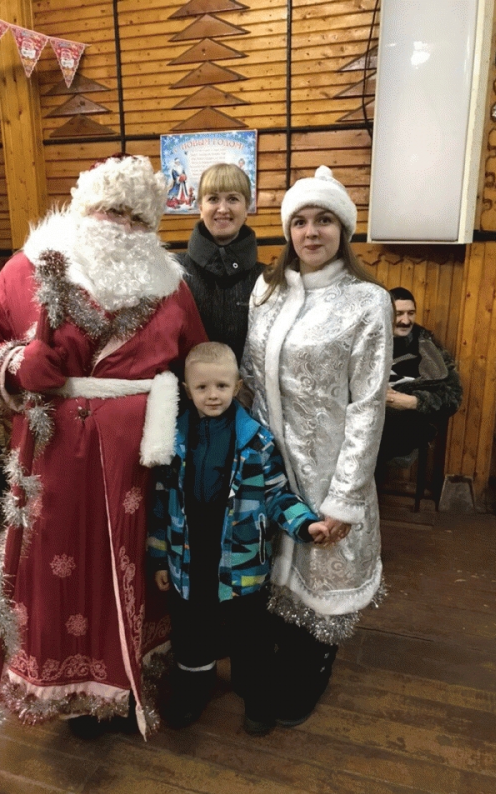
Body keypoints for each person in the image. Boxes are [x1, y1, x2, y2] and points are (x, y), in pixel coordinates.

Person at [0, 154, 207, 742]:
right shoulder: (30, 268)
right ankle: (72, 692)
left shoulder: (172, 285)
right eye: (110, 210)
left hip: (139, 458)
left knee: (135, 560)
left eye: (137, 217)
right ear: (84, 210)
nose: (122, 225)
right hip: (53, 452)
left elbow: (197, 358)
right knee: (60, 565)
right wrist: (17, 364)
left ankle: (126, 680)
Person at [242, 165, 394, 726]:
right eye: (300, 221)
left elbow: (368, 405)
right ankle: (272, 670)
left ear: (343, 230)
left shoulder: (367, 301)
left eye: (324, 220)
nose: (311, 232)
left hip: (329, 468)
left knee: (320, 573)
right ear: (288, 231)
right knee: (273, 578)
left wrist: (345, 498)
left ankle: (311, 670)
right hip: (269, 466)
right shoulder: (267, 292)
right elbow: (250, 377)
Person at [147, 342, 327, 735]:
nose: (212, 395)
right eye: (202, 387)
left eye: (222, 386)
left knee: (250, 634)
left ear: (237, 386)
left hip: (243, 560)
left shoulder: (256, 441)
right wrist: (159, 558)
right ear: (187, 389)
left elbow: (277, 494)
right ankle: (193, 689)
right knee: (192, 630)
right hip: (188, 558)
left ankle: (256, 694)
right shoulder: (172, 439)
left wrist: (304, 524)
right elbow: (160, 504)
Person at [177, 163, 265, 363]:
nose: (223, 209)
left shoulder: (265, 279)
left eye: (233, 199)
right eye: (213, 199)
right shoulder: (173, 272)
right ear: (201, 208)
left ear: (247, 208)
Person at [376, 286, 462, 466]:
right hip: (366, 413)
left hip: (406, 420)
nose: (406, 321)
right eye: (399, 314)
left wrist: (412, 401)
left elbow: (453, 397)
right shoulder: (368, 340)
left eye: (411, 313)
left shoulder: (426, 346)